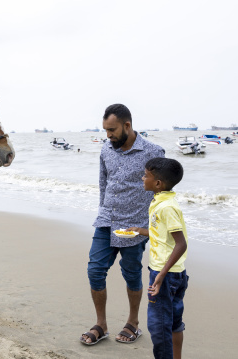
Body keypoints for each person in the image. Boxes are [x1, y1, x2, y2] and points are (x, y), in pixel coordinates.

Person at [80, 104, 165, 345]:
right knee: (95, 270)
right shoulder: (106, 149)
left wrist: (152, 229)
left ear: (127, 125)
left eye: (112, 130)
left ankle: (133, 323)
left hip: (134, 225)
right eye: (105, 130)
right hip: (107, 220)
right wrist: (102, 211)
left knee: (131, 274)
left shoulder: (154, 151)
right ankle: (101, 324)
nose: (108, 135)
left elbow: (161, 193)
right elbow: (103, 183)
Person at [127, 158, 188, 359]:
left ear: (158, 183)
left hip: (165, 274)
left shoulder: (166, 207)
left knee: (159, 327)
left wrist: (160, 276)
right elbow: (163, 235)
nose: (143, 178)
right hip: (174, 273)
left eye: (146, 175)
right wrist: (139, 231)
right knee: (173, 322)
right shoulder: (161, 201)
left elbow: (181, 244)